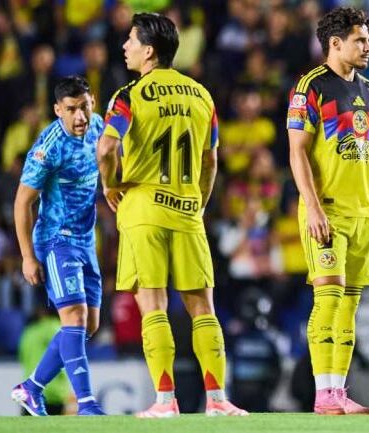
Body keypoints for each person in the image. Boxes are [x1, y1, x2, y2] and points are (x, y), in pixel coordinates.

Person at [96, 13, 247, 418]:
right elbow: (211, 161)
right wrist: (199, 203)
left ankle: (165, 401)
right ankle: (217, 399)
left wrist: (110, 185)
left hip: (143, 210)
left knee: (154, 306)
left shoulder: (128, 95)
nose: (125, 46)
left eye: (131, 40)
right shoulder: (202, 96)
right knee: (203, 309)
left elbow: (106, 149)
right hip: (187, 211)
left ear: (149, 51)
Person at [287, 6, 369, 415]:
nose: (368, 47)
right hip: (328, 213)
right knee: (329, 298)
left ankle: (338, 392)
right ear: (335, 44)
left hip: (364, 215)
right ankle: (323, 393)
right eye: (360, 40)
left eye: (368, 40)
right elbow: (297, 152)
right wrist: (313, 207)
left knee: (350, 306)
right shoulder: (310, 87)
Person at [11, 76, 105, 416]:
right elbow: (22, 203)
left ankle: (32, 387)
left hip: (86, 239)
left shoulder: (99, 126)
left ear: (93, 103)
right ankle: (86, 404)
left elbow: (109, 158)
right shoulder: (47, 147)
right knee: (75, 318)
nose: (80, 116)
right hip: (56, 239)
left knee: (88, 325)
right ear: (57, 110)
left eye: (85, 107)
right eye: (71, 109)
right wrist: (27, 257)